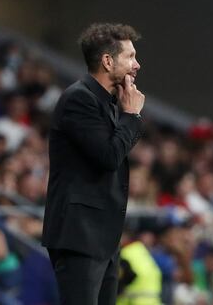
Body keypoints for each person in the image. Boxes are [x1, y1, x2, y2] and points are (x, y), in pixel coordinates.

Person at [42, 23, 145, 305]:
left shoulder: (110, 104)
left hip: (103, 238)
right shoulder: (79, 99)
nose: (137, 65)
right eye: (130, 57)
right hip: (79, 235)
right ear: (107, 60)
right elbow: (109, 156)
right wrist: (132, 117)